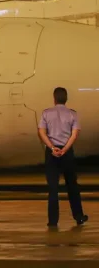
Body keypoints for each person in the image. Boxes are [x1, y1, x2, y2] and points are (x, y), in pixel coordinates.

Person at [38, 87, 89, 227]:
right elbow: (75, 134)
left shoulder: (46, 113)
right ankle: (78, 216)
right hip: (67, 154)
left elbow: (42, 132)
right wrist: (65, 149)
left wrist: (52, 147)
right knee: (72, 186)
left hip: (51, 154)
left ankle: (53, 221)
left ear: (54, 99)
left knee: (53, 188)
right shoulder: (73, 114)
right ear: (66, 99)